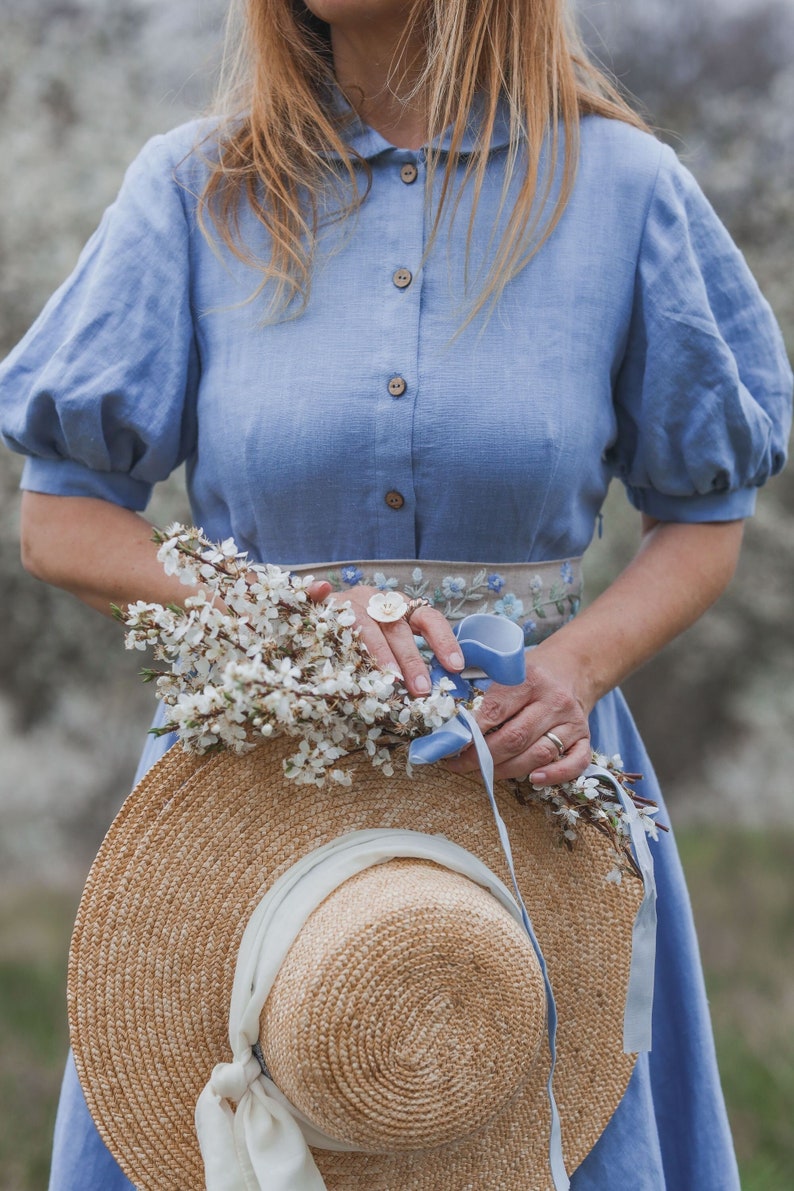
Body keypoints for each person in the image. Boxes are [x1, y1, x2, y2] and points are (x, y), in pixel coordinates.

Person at [0, 0, 791, 1187]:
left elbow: (705, 518)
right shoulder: (194, 187)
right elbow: (59, 520)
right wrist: (288, 620)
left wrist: (572, 670)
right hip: (244, 801)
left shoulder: (622, 190)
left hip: (529, 779)